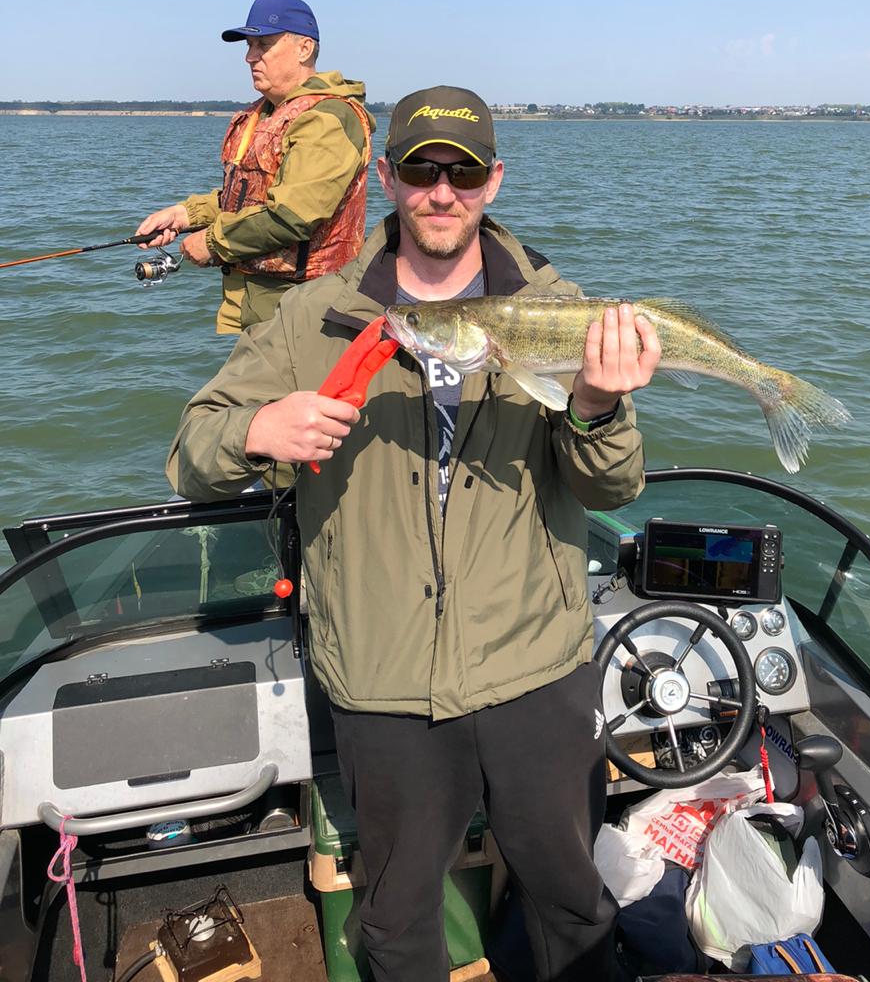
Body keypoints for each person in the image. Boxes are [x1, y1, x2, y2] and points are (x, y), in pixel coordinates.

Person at [166, 85, 661, 982]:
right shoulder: (313, 315)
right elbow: (190, 453)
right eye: (422, 169)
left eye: (463, 173)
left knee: (574, 903)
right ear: (388, 177)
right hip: (381, 678)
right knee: (395, 921)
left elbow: (611, 485)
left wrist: (595, 406)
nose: (442, 191)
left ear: (493, 181)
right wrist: (255, 431)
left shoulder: (558, 309)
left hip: (535, 668)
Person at [136, 0, 374, 333]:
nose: (250, 57)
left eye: (263, 45)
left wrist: (211, 242)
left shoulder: (328, 118)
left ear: (304, 48)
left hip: (306, 312)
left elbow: (291, 216)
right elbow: (247, 198)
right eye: (249, 46)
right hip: (252, 308)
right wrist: (186, 214)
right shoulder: (263, 115)